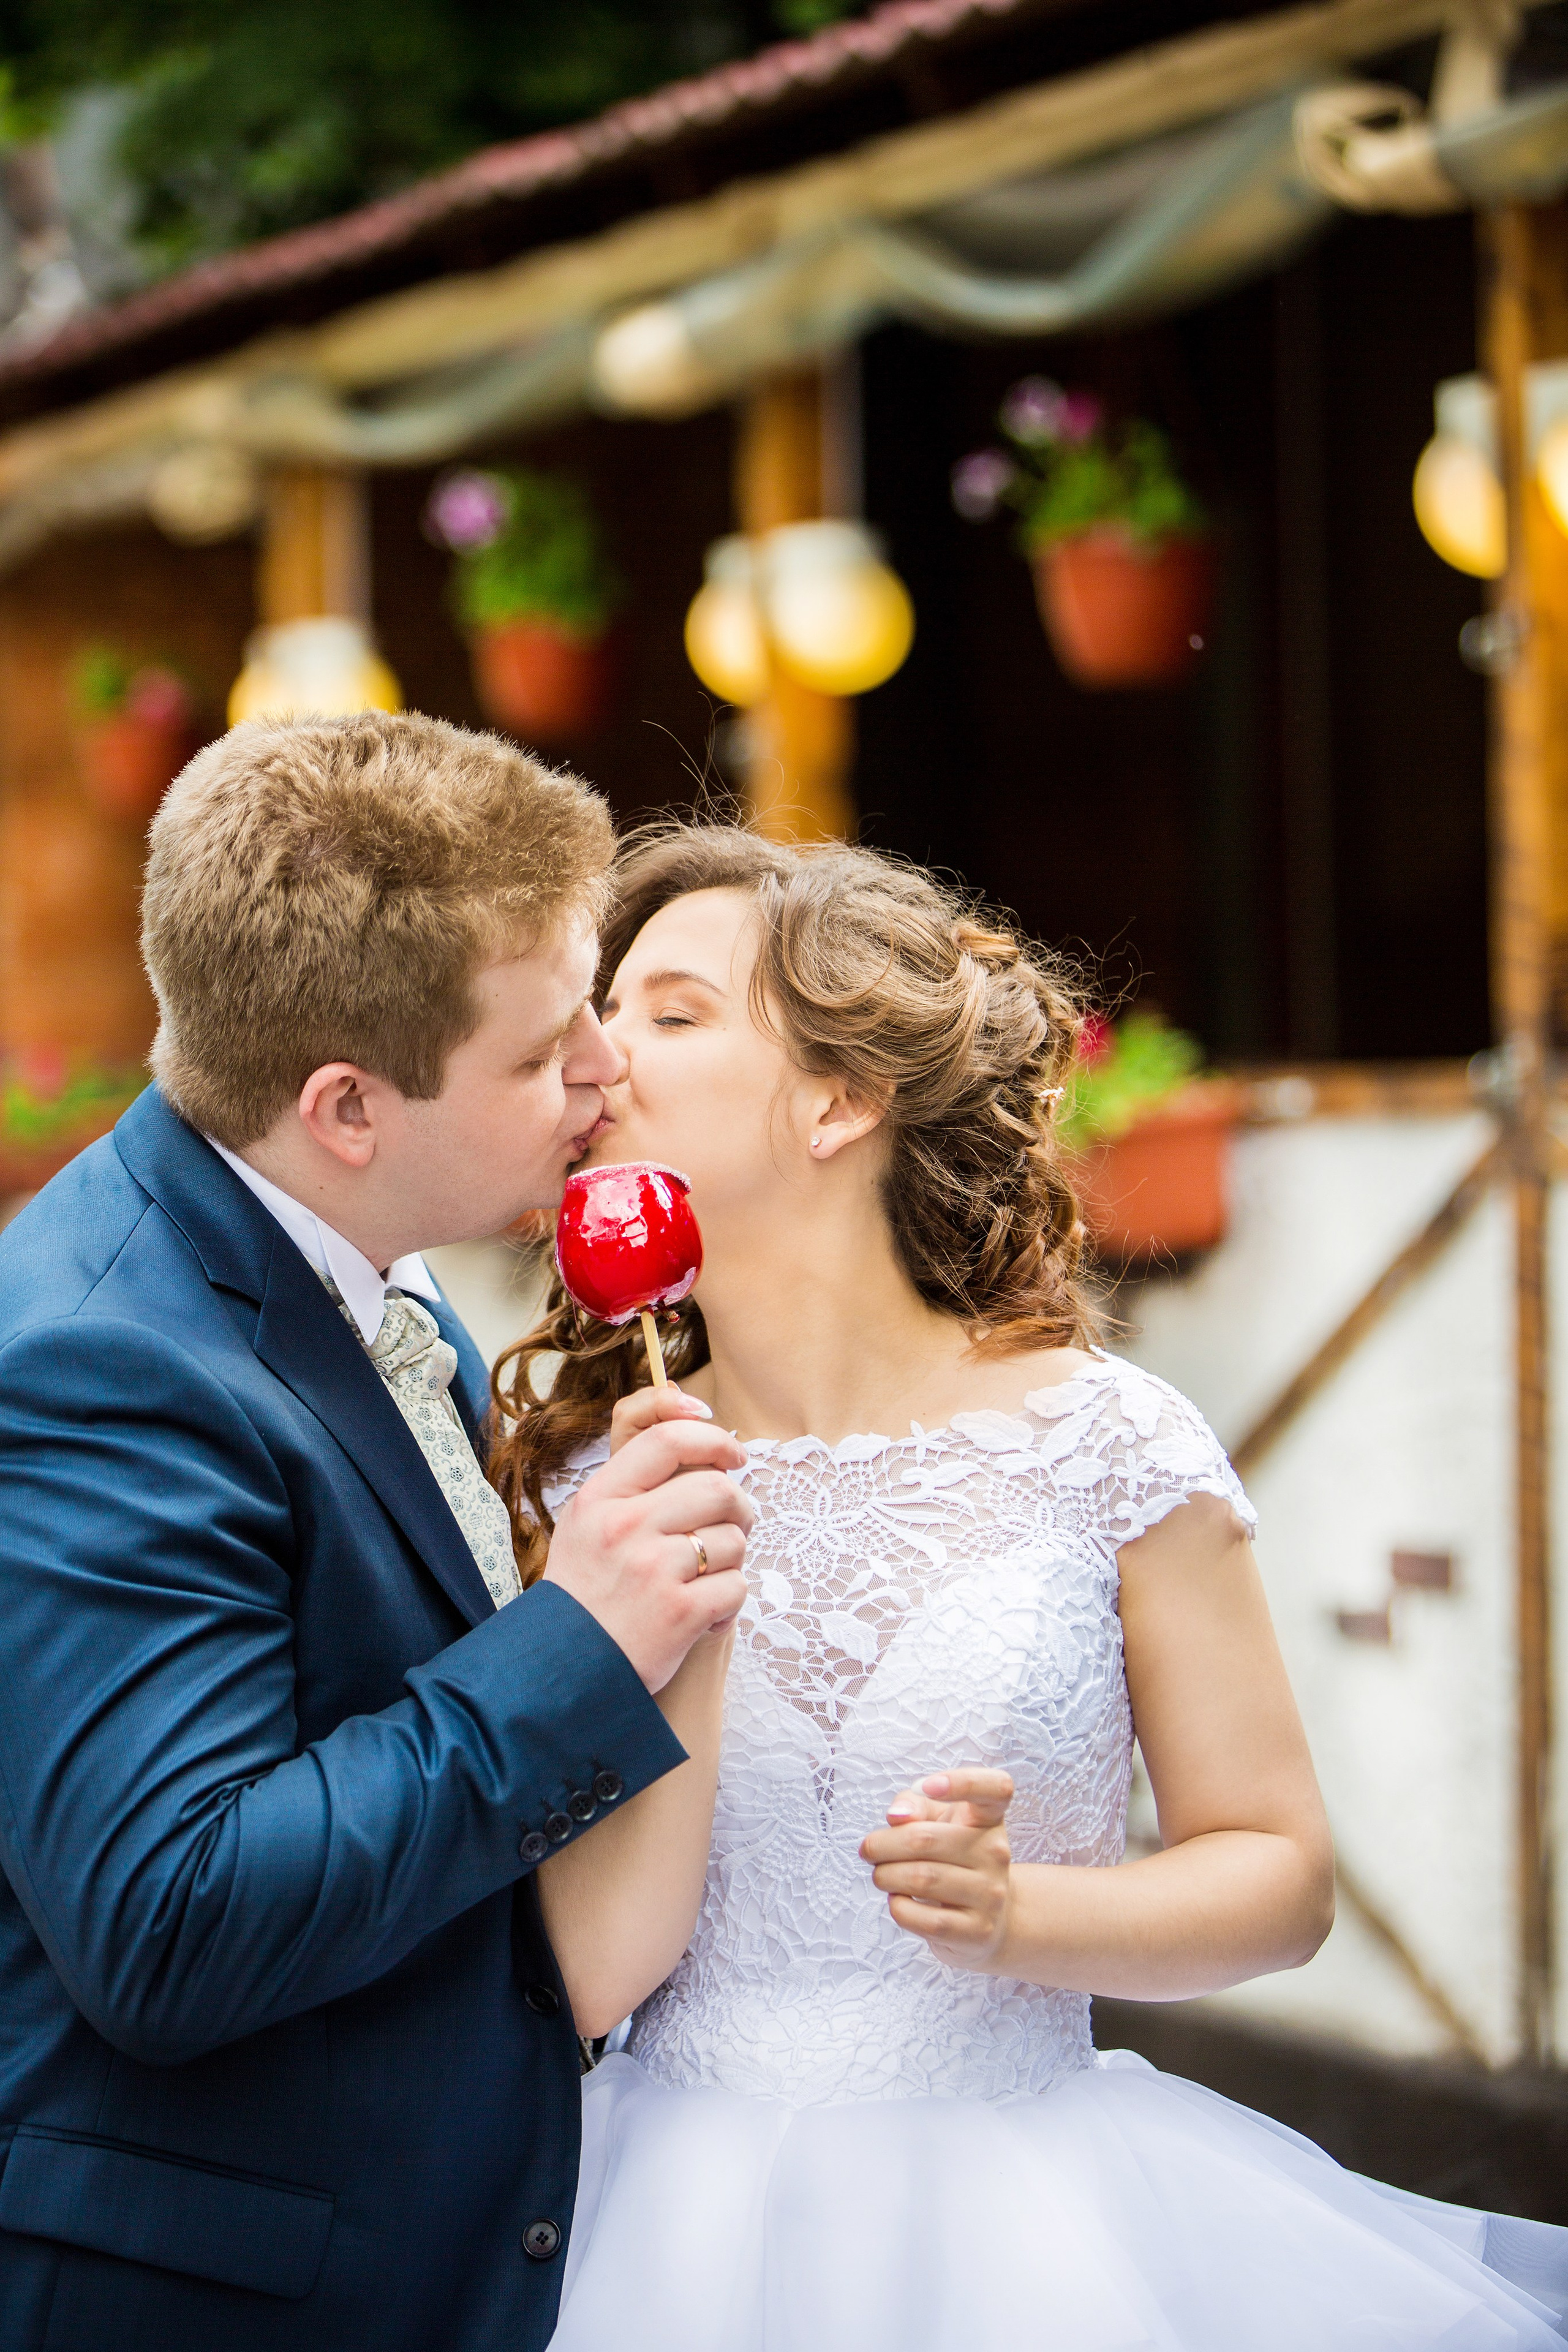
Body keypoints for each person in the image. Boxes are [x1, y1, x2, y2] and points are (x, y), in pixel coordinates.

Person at [491, 821, 1568, 2351]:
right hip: (655, 2226)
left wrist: (1022, 1916)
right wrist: (668, 1626)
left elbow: (1278, 1877)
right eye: (602, 1015)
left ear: (840, 1102)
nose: (598, 1059)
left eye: (670, 1015)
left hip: (1031, 2230)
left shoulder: (1105, 1444)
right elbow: (584, 1978)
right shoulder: (589, 1486)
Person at [0, 715, 751, 2352]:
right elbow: (170, 1922)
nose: (604, 1071)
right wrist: (577, 1644)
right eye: (544, 1052)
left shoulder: (361, 1258)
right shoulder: (102, 1363)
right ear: (346, 1106)